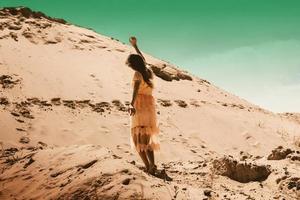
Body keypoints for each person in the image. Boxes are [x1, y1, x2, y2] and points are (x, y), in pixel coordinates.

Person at [126, 36, 160, 175]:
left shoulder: (137, 74)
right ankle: (152, 165)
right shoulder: (147, 71)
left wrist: (131, 104)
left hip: (139, 106)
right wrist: (135, 46)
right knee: (147, 137)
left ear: (133, 64)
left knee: (138, 138)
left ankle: (147, 167)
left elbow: (135, 90)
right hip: (149, 107)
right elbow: (143, 60)